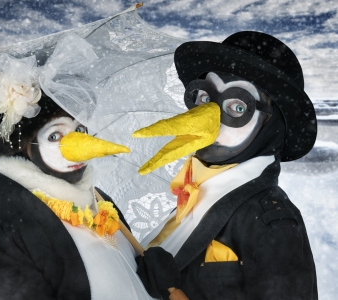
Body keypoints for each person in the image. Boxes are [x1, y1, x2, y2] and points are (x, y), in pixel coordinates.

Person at [133, 31, 318, 299]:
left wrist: (172, 291)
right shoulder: (196, 192)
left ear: (271, 126)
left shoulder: (273, 224)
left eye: (237, 107)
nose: (208, 118)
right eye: (205, 99)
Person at [0, 43, 157, 299]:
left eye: (79, 130)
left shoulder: (97, 198)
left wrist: (151, 276)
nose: (78, 147)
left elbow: (123, 274)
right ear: (20, 145)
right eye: (55, 135)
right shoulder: (5, 225)